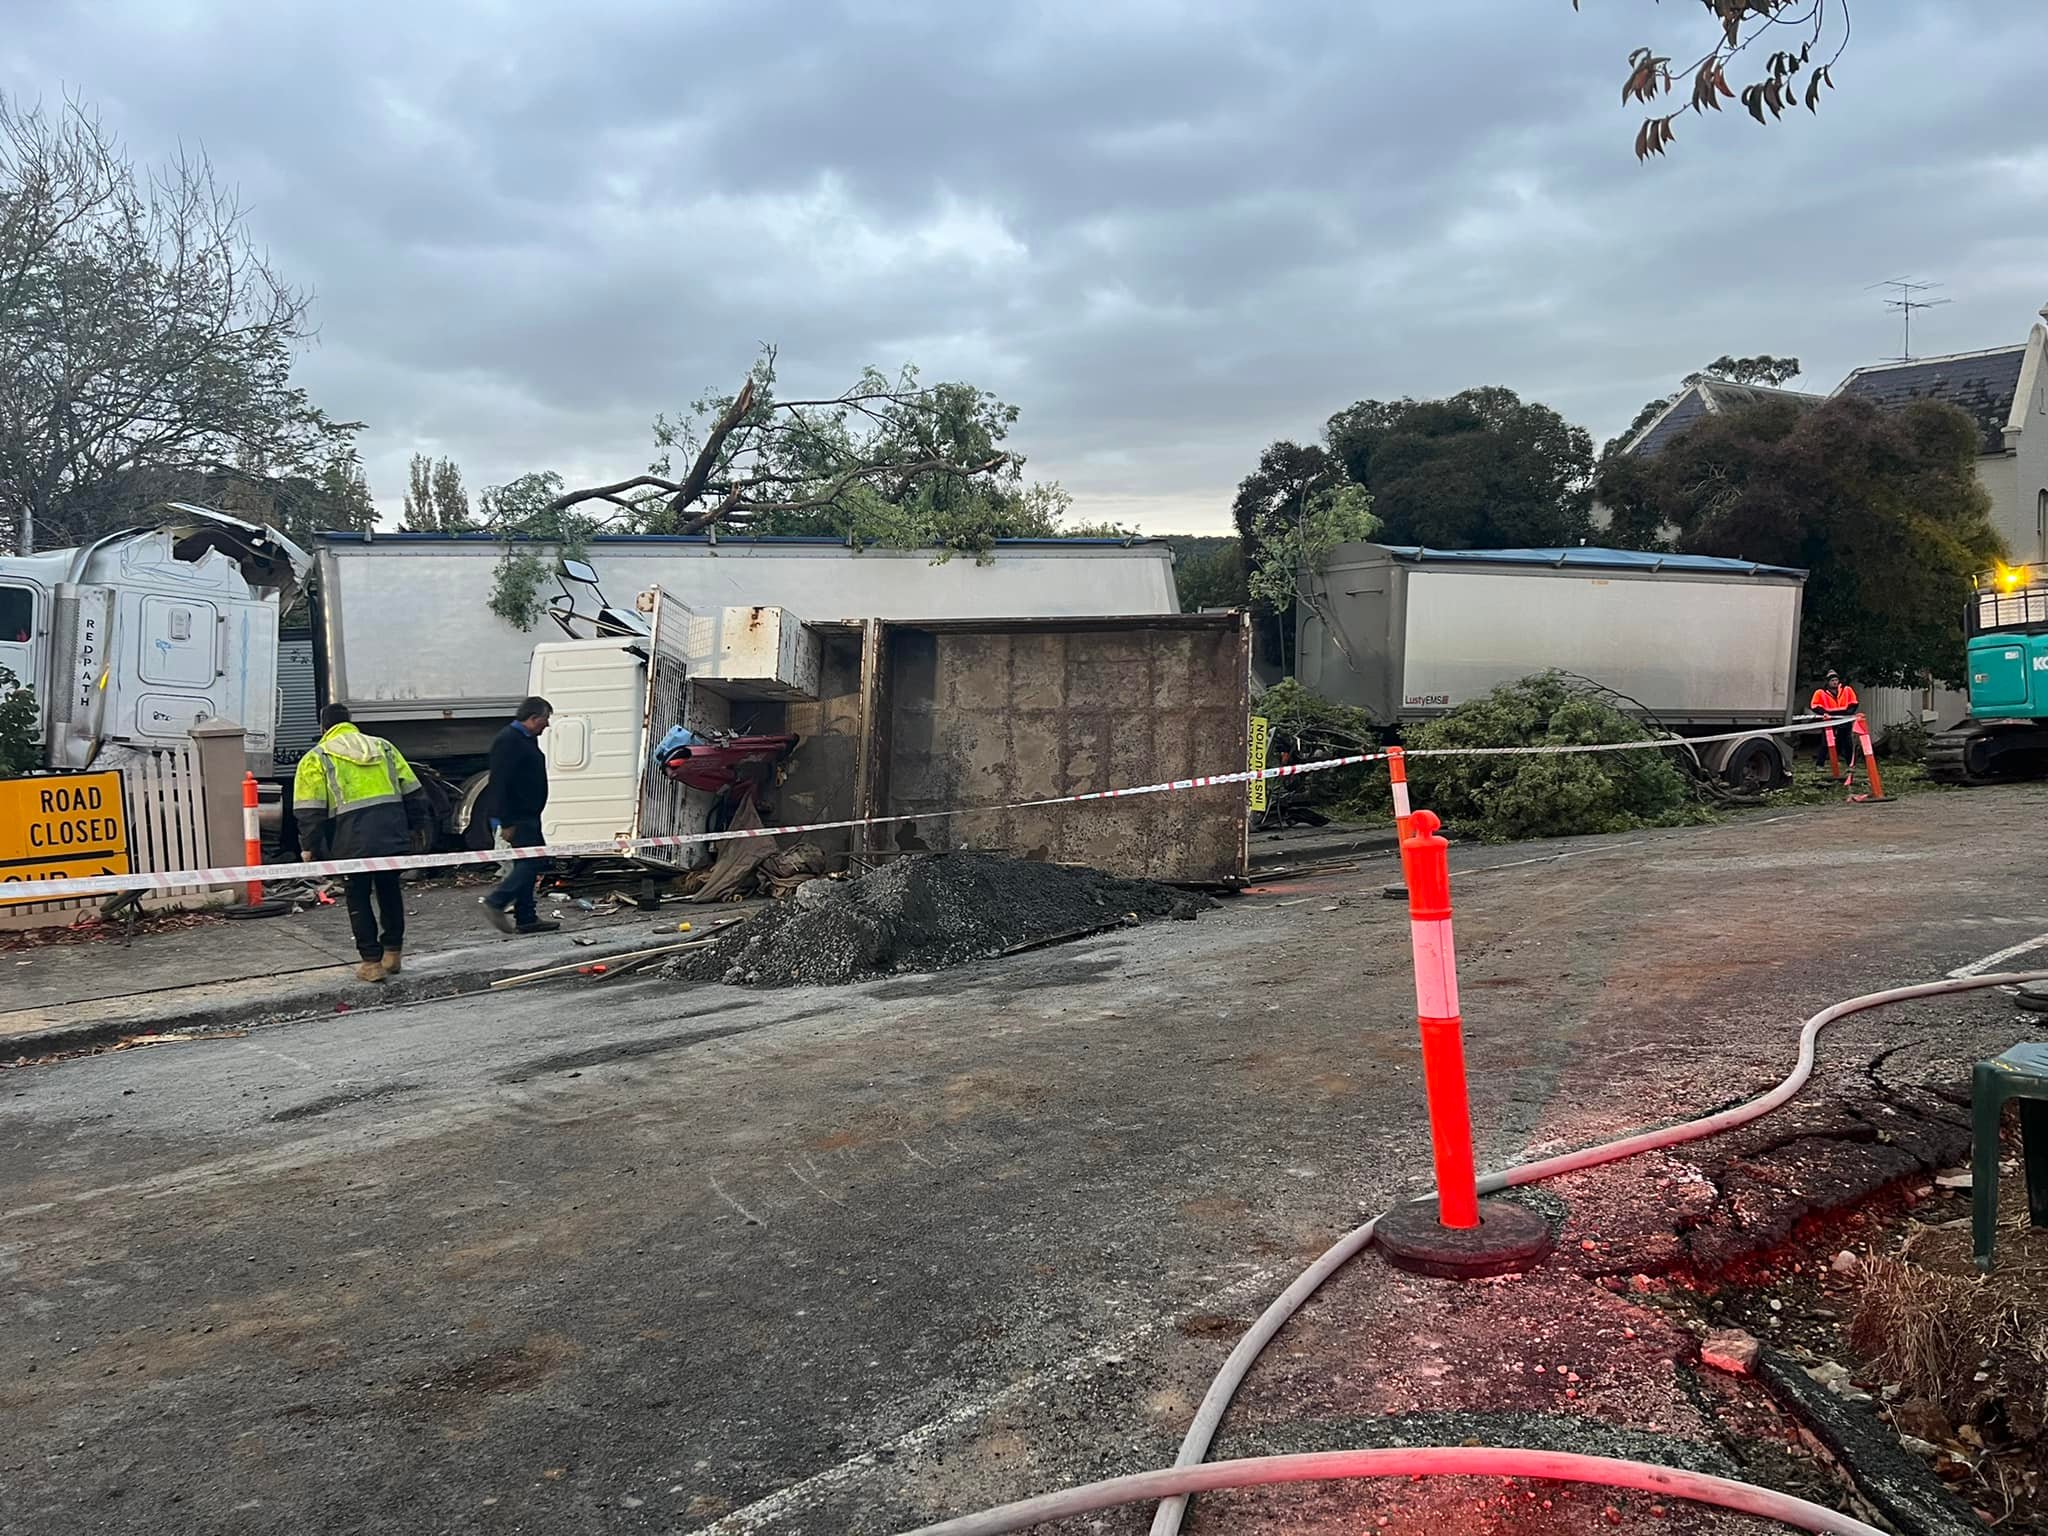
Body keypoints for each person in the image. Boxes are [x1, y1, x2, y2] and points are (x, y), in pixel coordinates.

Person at [294, 704, 432, 983]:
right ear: (350, 722)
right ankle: (392, 955)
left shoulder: (317, 757)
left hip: (350, 839)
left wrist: (309, 846)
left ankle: (371, 963)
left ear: (323, 728)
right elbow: (414, 791)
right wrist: (418, 827)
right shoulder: (384, 747)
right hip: (390, 833)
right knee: (389, 889)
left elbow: (310, 812)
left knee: (358, 896)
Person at [481, 696, 559, 936]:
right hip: (519, 816)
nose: (547, 726)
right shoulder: (509, 741)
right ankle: (497, 901)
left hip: (529, 815)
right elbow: (500, 783)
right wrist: (505, 822)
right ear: (534, 718)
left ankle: (526, 917)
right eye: (545, 720)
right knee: (531, 862)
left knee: (530, 862)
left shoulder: (525, 739)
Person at [1809, 668, 1859, 771]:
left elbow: (1854, 703)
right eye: (1832, 680)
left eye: (1836, 680)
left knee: (1847, 743)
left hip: (1844, 719)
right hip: (1829, 719)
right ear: (1828, 682)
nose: (1835, 682)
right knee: (1826, 742)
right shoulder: (1820, 692)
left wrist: (1848, 713)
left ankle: (1850, 765)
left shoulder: (1847, 690)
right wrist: (1824, 713)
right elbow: (1814, 705)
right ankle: (1820, 765)